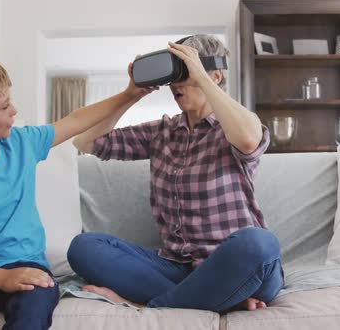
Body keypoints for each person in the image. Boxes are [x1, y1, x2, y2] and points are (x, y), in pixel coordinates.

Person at [0, 55, 156, 330]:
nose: (14, 110)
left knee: (33, 311)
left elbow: (76, 119)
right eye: (4, 106)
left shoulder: (21, 143)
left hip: (27, 266)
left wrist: (129, 94)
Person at [67, 34, 284, 312]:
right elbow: (85, 141)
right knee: (85, 246)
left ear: (215, 76)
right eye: (174, 75)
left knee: (259, 243)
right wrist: (129, 94)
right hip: (176, 267)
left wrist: (202, 77)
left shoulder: (235, 126)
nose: (174, 84)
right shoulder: (162, 132)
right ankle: (218, 298)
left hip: (238, 265)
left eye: (185, 72)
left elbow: (247, 140)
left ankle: (146, 305)